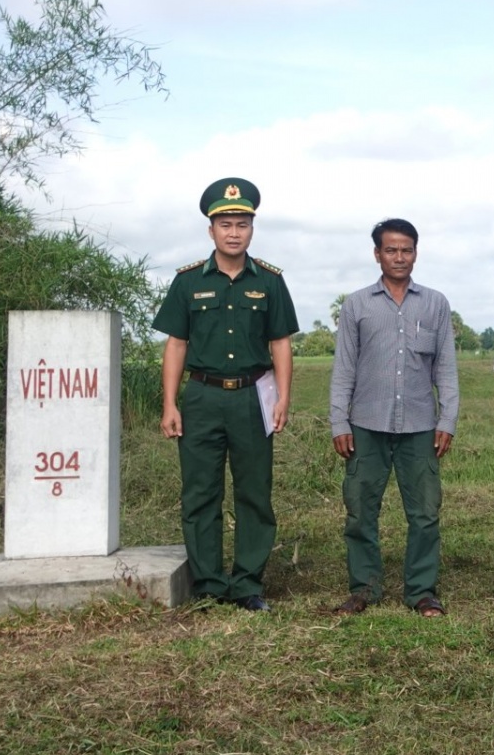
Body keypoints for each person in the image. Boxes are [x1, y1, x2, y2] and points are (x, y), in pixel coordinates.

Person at [152, 179, 298, 611]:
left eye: (242, 225)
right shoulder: (187, 282)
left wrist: (283, 398)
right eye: (225, 224)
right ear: (211, 230)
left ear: (252, 229)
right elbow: (176, 344)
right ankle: (210, 582)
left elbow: (280, 344)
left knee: (254, 491)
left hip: (253, 397)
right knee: (201, 493)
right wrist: (169, 402)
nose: (234, 233)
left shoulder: (269, 282)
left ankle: (248, 582)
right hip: (202, 398)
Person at [330, 218, 460, 617]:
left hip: (421, 426)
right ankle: (364, 588)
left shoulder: (435, 303)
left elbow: (446, 369)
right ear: (377, 254)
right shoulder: (357, 304)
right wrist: (339, 422)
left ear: (416, 253)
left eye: (406, 250)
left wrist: (447, 420)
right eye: (391, 250)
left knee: (424, 512)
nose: (399, 257)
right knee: (360, 510)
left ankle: (421, 591)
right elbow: (344, 368)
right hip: (365, 425)